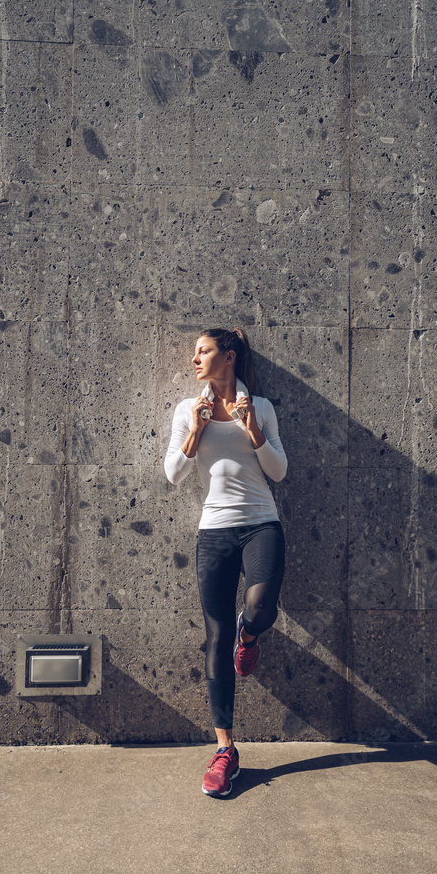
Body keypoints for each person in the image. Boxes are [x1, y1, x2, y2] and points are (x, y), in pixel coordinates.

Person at [164, 328, 287, 797]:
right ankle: (225, 750)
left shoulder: (262, 408)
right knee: (215, 632)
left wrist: (251, 425)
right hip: (213, 531)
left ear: (228, 357)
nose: (195, 358)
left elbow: (279, 472)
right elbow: (173, 474)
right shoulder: (186, 410)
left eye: (204, 351)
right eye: (194, 352)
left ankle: (250, 632)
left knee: (257, 610)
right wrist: (196, 429)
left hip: (261, 525)